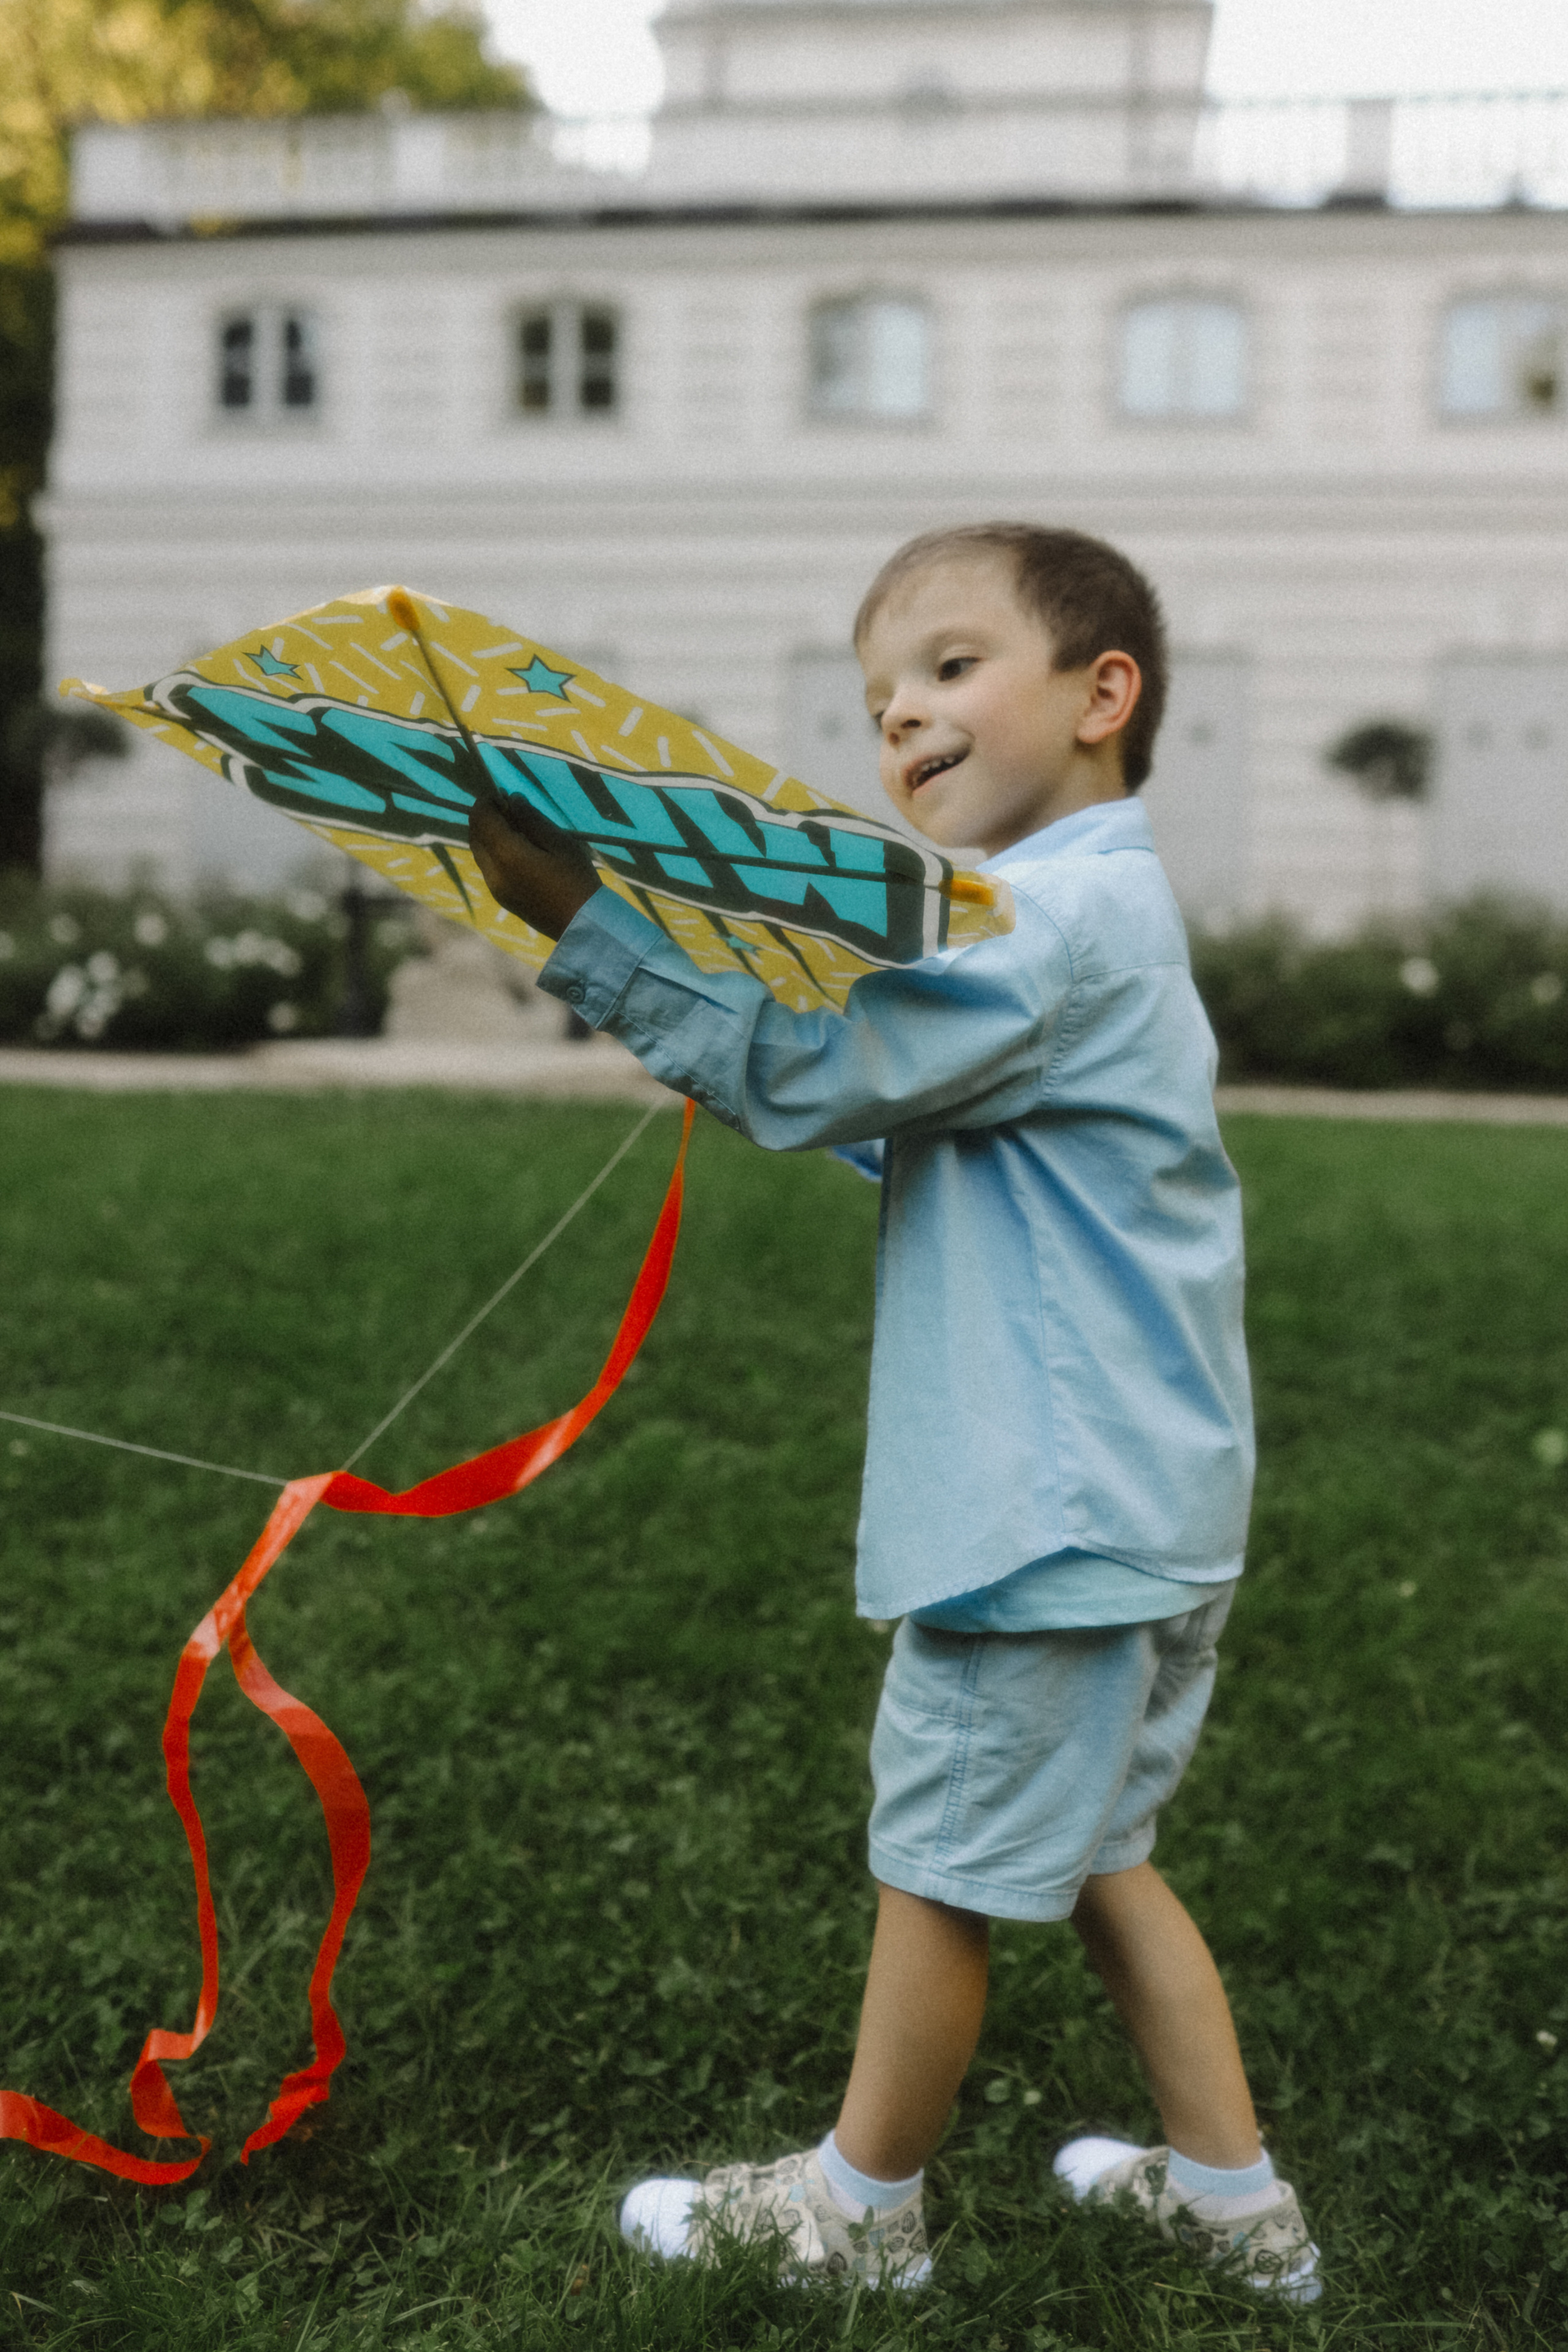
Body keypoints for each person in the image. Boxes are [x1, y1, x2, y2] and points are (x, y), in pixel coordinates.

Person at [467, 522, 1319, 2306]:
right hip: (1144, 1497)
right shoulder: (1095, 912)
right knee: (1100, 1856)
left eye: (946, 666)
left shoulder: (1054, 922)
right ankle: (1240, 2214)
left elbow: (809, 1071)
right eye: (878, 700)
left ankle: (861, 2215)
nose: (902, 717)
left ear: (1104, 695)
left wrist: (595, 933)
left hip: (1043, 1510)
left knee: (938, 1868)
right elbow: (916, 1114)